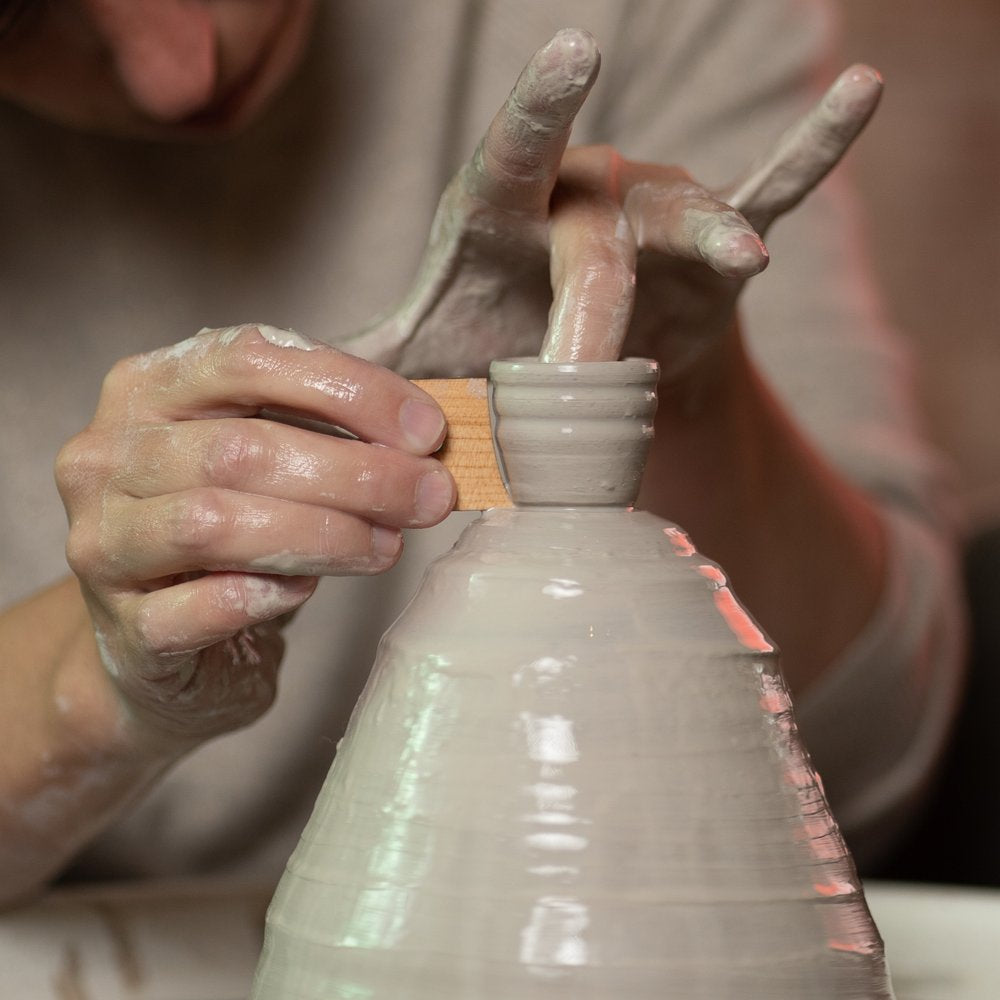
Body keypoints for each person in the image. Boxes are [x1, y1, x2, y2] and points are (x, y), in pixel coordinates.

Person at [0, 0, 964, 908]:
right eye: (22, 21)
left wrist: (688, 394)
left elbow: (879, 769)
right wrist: (98, 681)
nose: (177, 70)